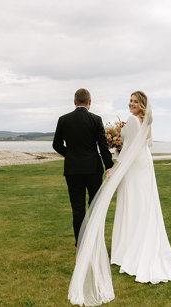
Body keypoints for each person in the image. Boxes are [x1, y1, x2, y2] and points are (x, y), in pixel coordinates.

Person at [68, 91, 171, 306]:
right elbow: (144, 145)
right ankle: (136, 244)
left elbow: (128, 148)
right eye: (130, 101)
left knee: (131, 205)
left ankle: (128, 250)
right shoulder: (146, 121)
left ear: (142, 105)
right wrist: (120, 144)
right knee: (143, 205)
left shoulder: (131, 120)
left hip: (133, 165)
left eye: (135, 102)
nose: (131, 104)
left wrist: (113, 167)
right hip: (145, 164)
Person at [52, 88, 114, 247]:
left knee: (77, 208)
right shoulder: (96, 119)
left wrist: (71, 155)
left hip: (73, 170)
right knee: (94, 206)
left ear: (74, 102)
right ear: (90, 102)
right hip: (93, 169)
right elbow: (103, 146)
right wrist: (110, 166)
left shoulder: (63, 119)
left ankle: (80, 243)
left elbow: (56, 145)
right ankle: (94, 241)